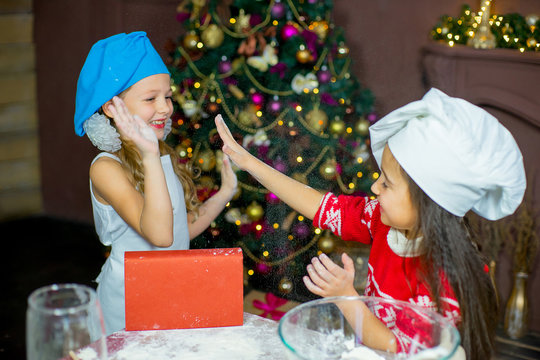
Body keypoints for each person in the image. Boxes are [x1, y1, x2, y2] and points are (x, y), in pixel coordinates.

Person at [215, 88, 526, 360]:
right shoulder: (381, 219)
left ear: (427, 202)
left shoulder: (446, 278)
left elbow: (396, 347)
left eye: (387, 184)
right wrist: (249, 163)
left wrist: (346, 296)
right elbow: (320, 206)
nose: (376, 188)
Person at [74, 31, 237, 334]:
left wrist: (226, 191)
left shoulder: (159, 154)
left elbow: (179, 232)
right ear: (111, 108)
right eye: (151, 98)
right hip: (129, 300)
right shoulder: (106, 168)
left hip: (172, 288)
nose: (165, 108)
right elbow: (159, 235)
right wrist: (150, 156)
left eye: (167, 96)